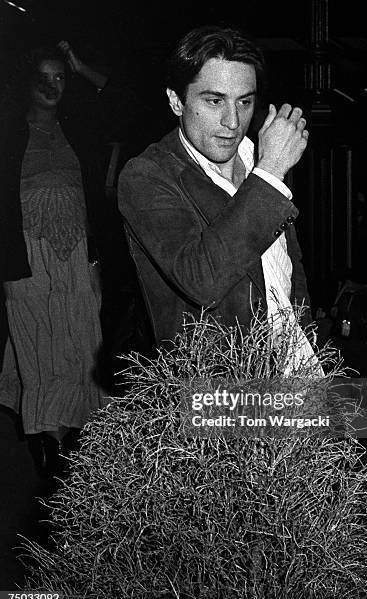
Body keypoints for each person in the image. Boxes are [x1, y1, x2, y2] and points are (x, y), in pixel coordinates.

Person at [118, 26, 315, 363]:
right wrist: (270, 173)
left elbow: (287, 271)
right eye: (214, 100)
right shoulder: (147, 175)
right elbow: (202, 281)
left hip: (292, 369)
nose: (233, 122)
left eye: (245, 102)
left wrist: (309, 352)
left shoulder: (258, 158)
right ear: (176, 101)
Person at [0, 42, 131, 477]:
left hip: (78, 253)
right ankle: (49, 442)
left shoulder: (80, 127)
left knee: (82, 345)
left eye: (60, 77)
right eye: (45, 76)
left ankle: (77, 437)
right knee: (40, 347)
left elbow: (129, 101)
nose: (52, 85)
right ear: (26, 82)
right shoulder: (9, 131)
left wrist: (80, 65)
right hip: (27, 256)